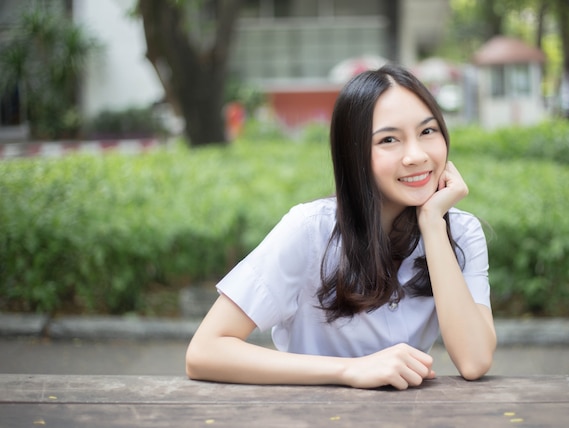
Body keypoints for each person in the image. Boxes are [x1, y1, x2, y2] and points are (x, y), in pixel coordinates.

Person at [186, 64, 497, 390]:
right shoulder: (309, 231)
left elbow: (474, 361)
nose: (416, 155)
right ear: (355, 154)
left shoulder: (460, 232)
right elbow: (205, 351)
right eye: (389, 139)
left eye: (427, 132)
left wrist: (432, 223)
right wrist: (349, 370)